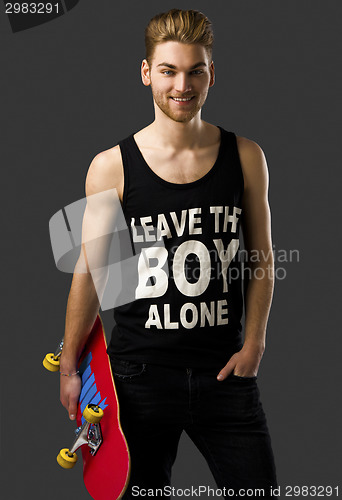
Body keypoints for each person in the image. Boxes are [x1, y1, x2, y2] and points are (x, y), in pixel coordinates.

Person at [59, 8, 278, 498]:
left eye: (195, 70)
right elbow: (92, 274)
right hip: (137, 378)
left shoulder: (246, 156)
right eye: (168, 70)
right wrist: (71, 368)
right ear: (146, 74)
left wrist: (255, 343)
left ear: (211, 73)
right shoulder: (111, 167)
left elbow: (261, 259)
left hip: (225, 373)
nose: (183, 84)